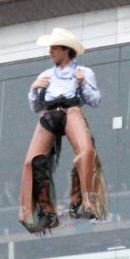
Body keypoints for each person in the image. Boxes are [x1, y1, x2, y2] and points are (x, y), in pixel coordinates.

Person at [20, 27, 107, 234]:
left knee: (86, 151)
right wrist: (34, 89)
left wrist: (83, 83)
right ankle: (44, 211)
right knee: (32, 161)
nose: (50, 51)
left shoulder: (83, 72)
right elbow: (36, 107)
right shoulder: (46, 75)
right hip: (50, 114)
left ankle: (82, 200)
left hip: (70, 110)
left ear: (65, 50)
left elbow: (95, 100)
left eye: (54, 48)